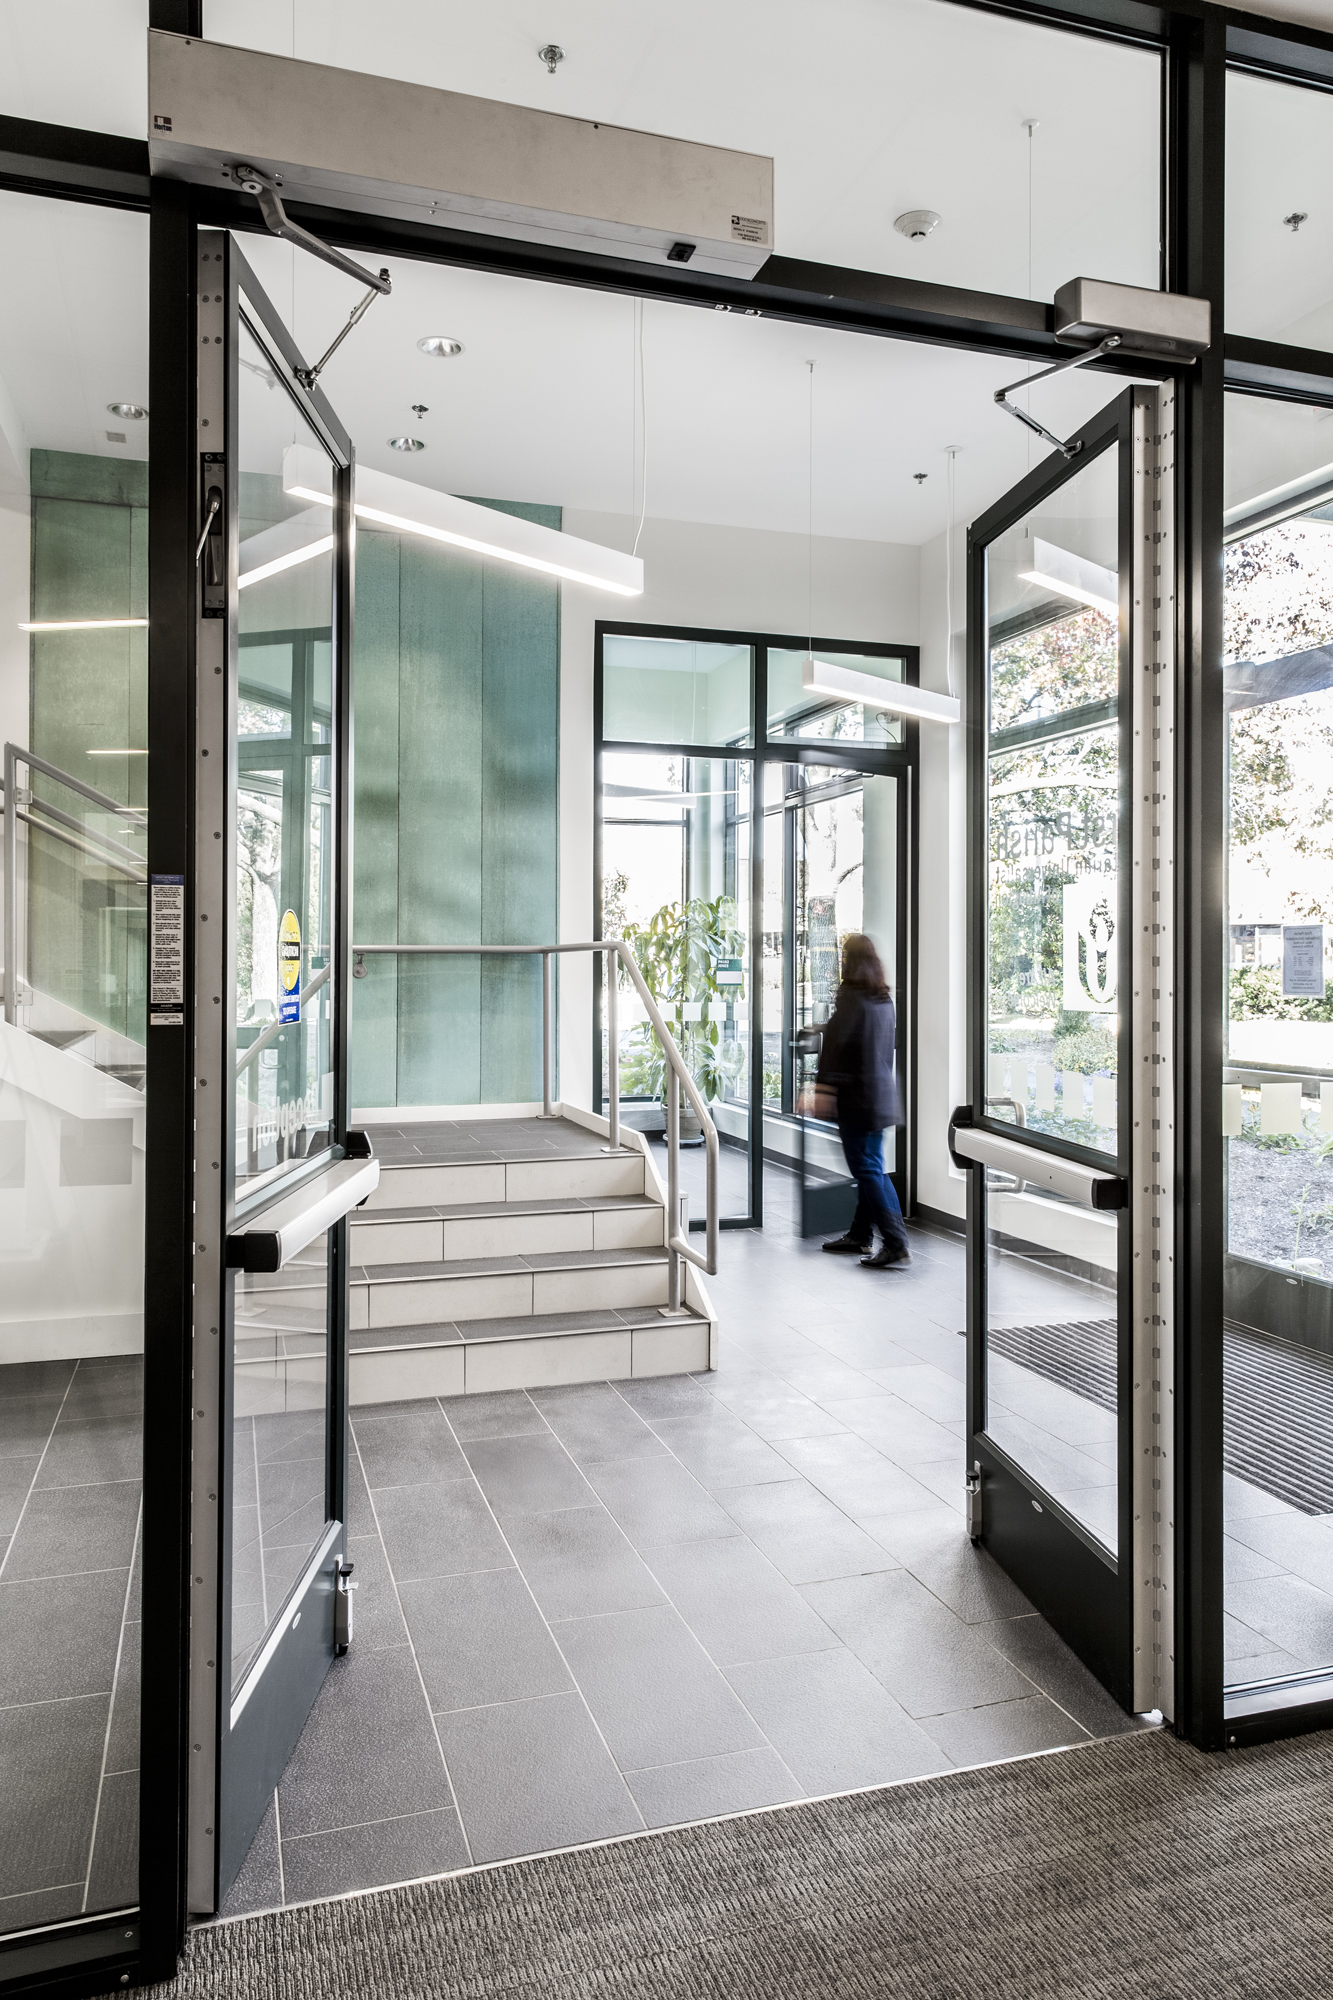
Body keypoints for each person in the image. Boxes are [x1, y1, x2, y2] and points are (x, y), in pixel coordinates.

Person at [810, 933, 910, 1269]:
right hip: (881, 1098)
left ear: (848, 960)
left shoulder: (851, 997)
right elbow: (868, 1042)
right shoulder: (882, 998)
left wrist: (823, 1091)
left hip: (857, 1100)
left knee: (868, 1171)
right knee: (873, 1167)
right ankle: (860, 1234)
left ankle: (895, 1241)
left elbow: (841, 1051)